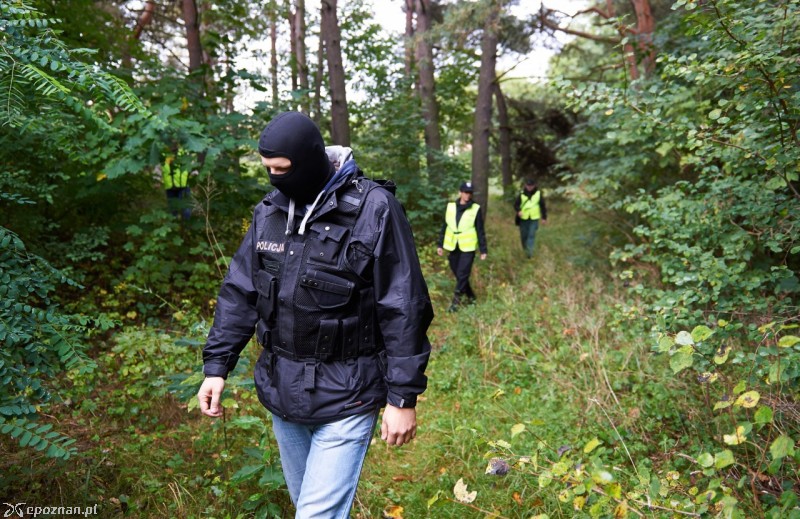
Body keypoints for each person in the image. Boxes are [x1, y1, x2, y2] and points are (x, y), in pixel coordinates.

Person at [197, 111, 433, 518]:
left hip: (349, 391)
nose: (274, 177)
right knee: (305, 506)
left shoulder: (375, 209)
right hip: (283, 389)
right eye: (267, 169)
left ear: (308, 161)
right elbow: (240, 291)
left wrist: (402, 396)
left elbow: (403, 305)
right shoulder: (269, 212)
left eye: (282, 169)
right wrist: (217, 366)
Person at [437, 181, 488, 312]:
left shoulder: (475, 208)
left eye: (470, 193)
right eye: (465, 192)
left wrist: (483, 249)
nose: (467, 195)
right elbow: (445, 226)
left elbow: (480, 230)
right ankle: (471, 296)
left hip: (468, 247)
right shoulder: (450, 207)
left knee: (462, 273)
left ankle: (456, 302)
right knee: (459, 274)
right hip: (453, 246)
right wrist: (440, 244)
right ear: (460, 192)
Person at [514, 177, 547, 258]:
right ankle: (525, 249)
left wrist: (544, 218)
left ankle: (529, 254)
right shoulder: (521, 194)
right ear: (525, 185)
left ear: (534, 186)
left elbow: (543, 206)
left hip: (534, 218)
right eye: (528, 186)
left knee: (531, 235)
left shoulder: (538, 194)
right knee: (524, 236)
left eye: (531, 186)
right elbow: (516, 205)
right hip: (523, 218)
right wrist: (519, 211)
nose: (529, 187)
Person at [161, 148, 193, 220]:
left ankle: (186, 225)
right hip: (169, 186)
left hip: (183, 185)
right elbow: (159, 167)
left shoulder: (184, 152)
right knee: (173, 209)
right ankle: (174, 225)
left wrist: (194, 175)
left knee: (185, 208)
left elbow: (192, 165)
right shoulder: (164, 154)